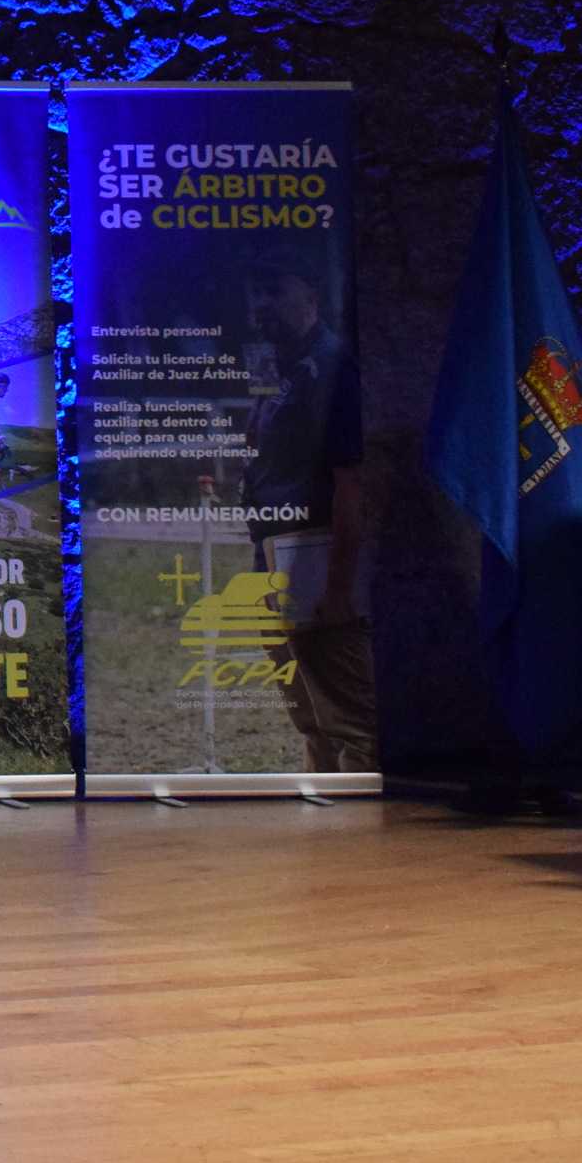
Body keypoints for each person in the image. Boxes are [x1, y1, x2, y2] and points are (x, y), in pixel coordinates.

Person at [241, 245, 377, 774]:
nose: (261, 306)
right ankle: (321, 800)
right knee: (304, 704)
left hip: (313, 554)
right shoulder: (283, 367)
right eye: (256, 295)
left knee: (344, 706)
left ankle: (360, 823)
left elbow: (349, 482)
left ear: (311, 297)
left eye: (274, 292)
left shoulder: (333, 369)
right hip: (273, 549)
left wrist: (338, 588)